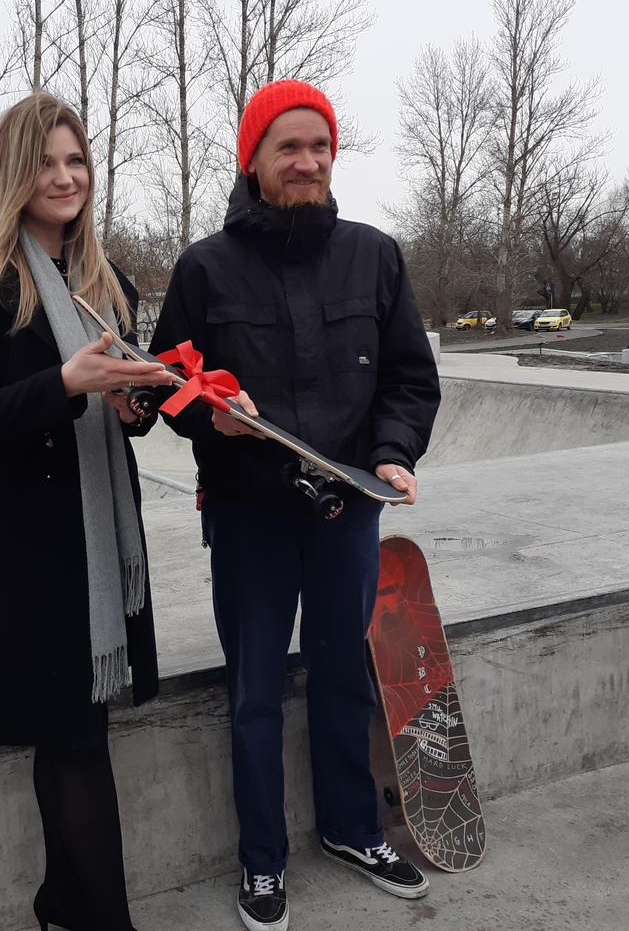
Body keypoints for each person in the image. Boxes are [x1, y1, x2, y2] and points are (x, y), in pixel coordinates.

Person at [149, 79, 441, 931]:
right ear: (255, 160)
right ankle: (263, 862)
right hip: (248, 519)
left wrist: (392, 452)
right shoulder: (204, 268)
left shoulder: (375, 255)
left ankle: (354, 830)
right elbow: (174, 383)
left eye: (320, 146)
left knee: (345, 675)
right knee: (254, 693)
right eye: (289, 147)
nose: (308, 161)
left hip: (347, 513)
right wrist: (213, 419)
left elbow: (409, 380)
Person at [0, 91, 173, 931]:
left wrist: (134, 406)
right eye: (46, 162)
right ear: (12, 172)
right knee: (73, 740)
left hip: (98, 534)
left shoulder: (107, 282)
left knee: (72, 734)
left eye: (77, 161)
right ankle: (101, 917)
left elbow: (119, 413)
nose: (66, 177)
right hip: (25, 547)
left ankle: (64, 901)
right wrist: (67, 386)